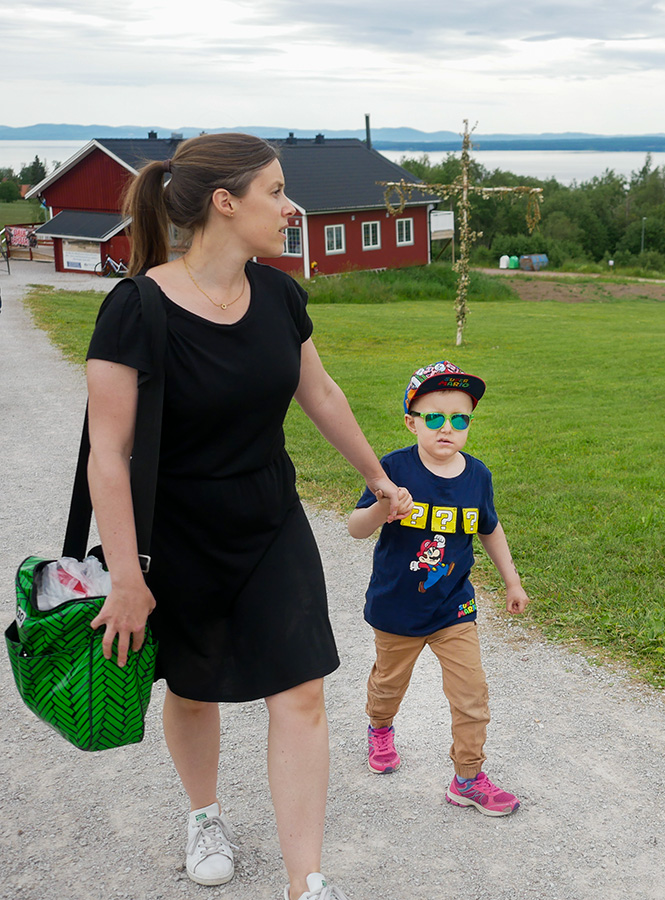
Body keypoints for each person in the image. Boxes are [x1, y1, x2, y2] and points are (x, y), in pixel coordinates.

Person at [85, 133, 412, 900]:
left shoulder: (277, 295)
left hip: (269, 519)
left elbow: (320, 393)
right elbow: (108, 454)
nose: (292, 207)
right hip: (178, 529)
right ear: (226, 203)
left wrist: (377, 478)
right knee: (193, 690)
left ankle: (307, 881)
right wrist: (126, 578)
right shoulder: (134, 309)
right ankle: (204, 816)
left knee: (299, 688)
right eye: (276, 190)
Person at [348, 360, 529, 815]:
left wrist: (512, 579)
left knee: (472, 696)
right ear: (412, 421)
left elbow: (489, 528)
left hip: (453, 608)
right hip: (398, 609)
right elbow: (355, 527)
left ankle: (467, 778)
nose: (447, 428)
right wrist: (384, 505)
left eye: (459, 419)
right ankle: (380, 727)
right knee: (389, 685)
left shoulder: (478, 476)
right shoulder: (393, 468)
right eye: (434, 417)